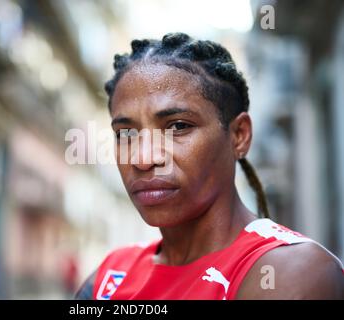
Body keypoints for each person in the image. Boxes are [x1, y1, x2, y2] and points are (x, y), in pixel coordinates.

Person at [75, 33, 344, 300]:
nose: (143, 159)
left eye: (178, 127)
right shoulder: (110, 276)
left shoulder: (289, 272)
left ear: (239, 135)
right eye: (126, 134)